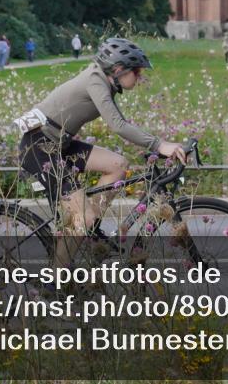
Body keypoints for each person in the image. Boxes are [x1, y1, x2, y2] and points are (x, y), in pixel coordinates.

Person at [16, 37, 187, 250]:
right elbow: (118, 125)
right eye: (137, 71)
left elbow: (121, 122)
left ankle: (89, 231)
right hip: (38, 147)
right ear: (118, 69)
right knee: (83, 218)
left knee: (118, 165)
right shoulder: (95, 80)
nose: (140, 76)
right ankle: (56, 279)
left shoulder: (105, 82)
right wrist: (160, 145)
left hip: (60, 144)